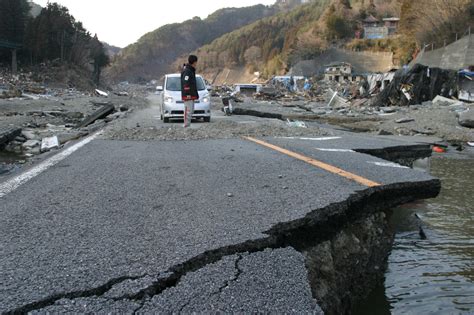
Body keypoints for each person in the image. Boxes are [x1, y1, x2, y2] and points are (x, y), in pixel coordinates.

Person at [181, 55, 199, 128]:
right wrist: (188, 93)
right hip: (188, 94)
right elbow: (186, 83)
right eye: (196, 62)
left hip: (191, 94)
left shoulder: (190, 70)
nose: (196, 64)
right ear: (194, 62)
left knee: (191, 110)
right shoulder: (187, 71)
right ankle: (186, 126)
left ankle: (187, 125)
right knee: (188, 110)